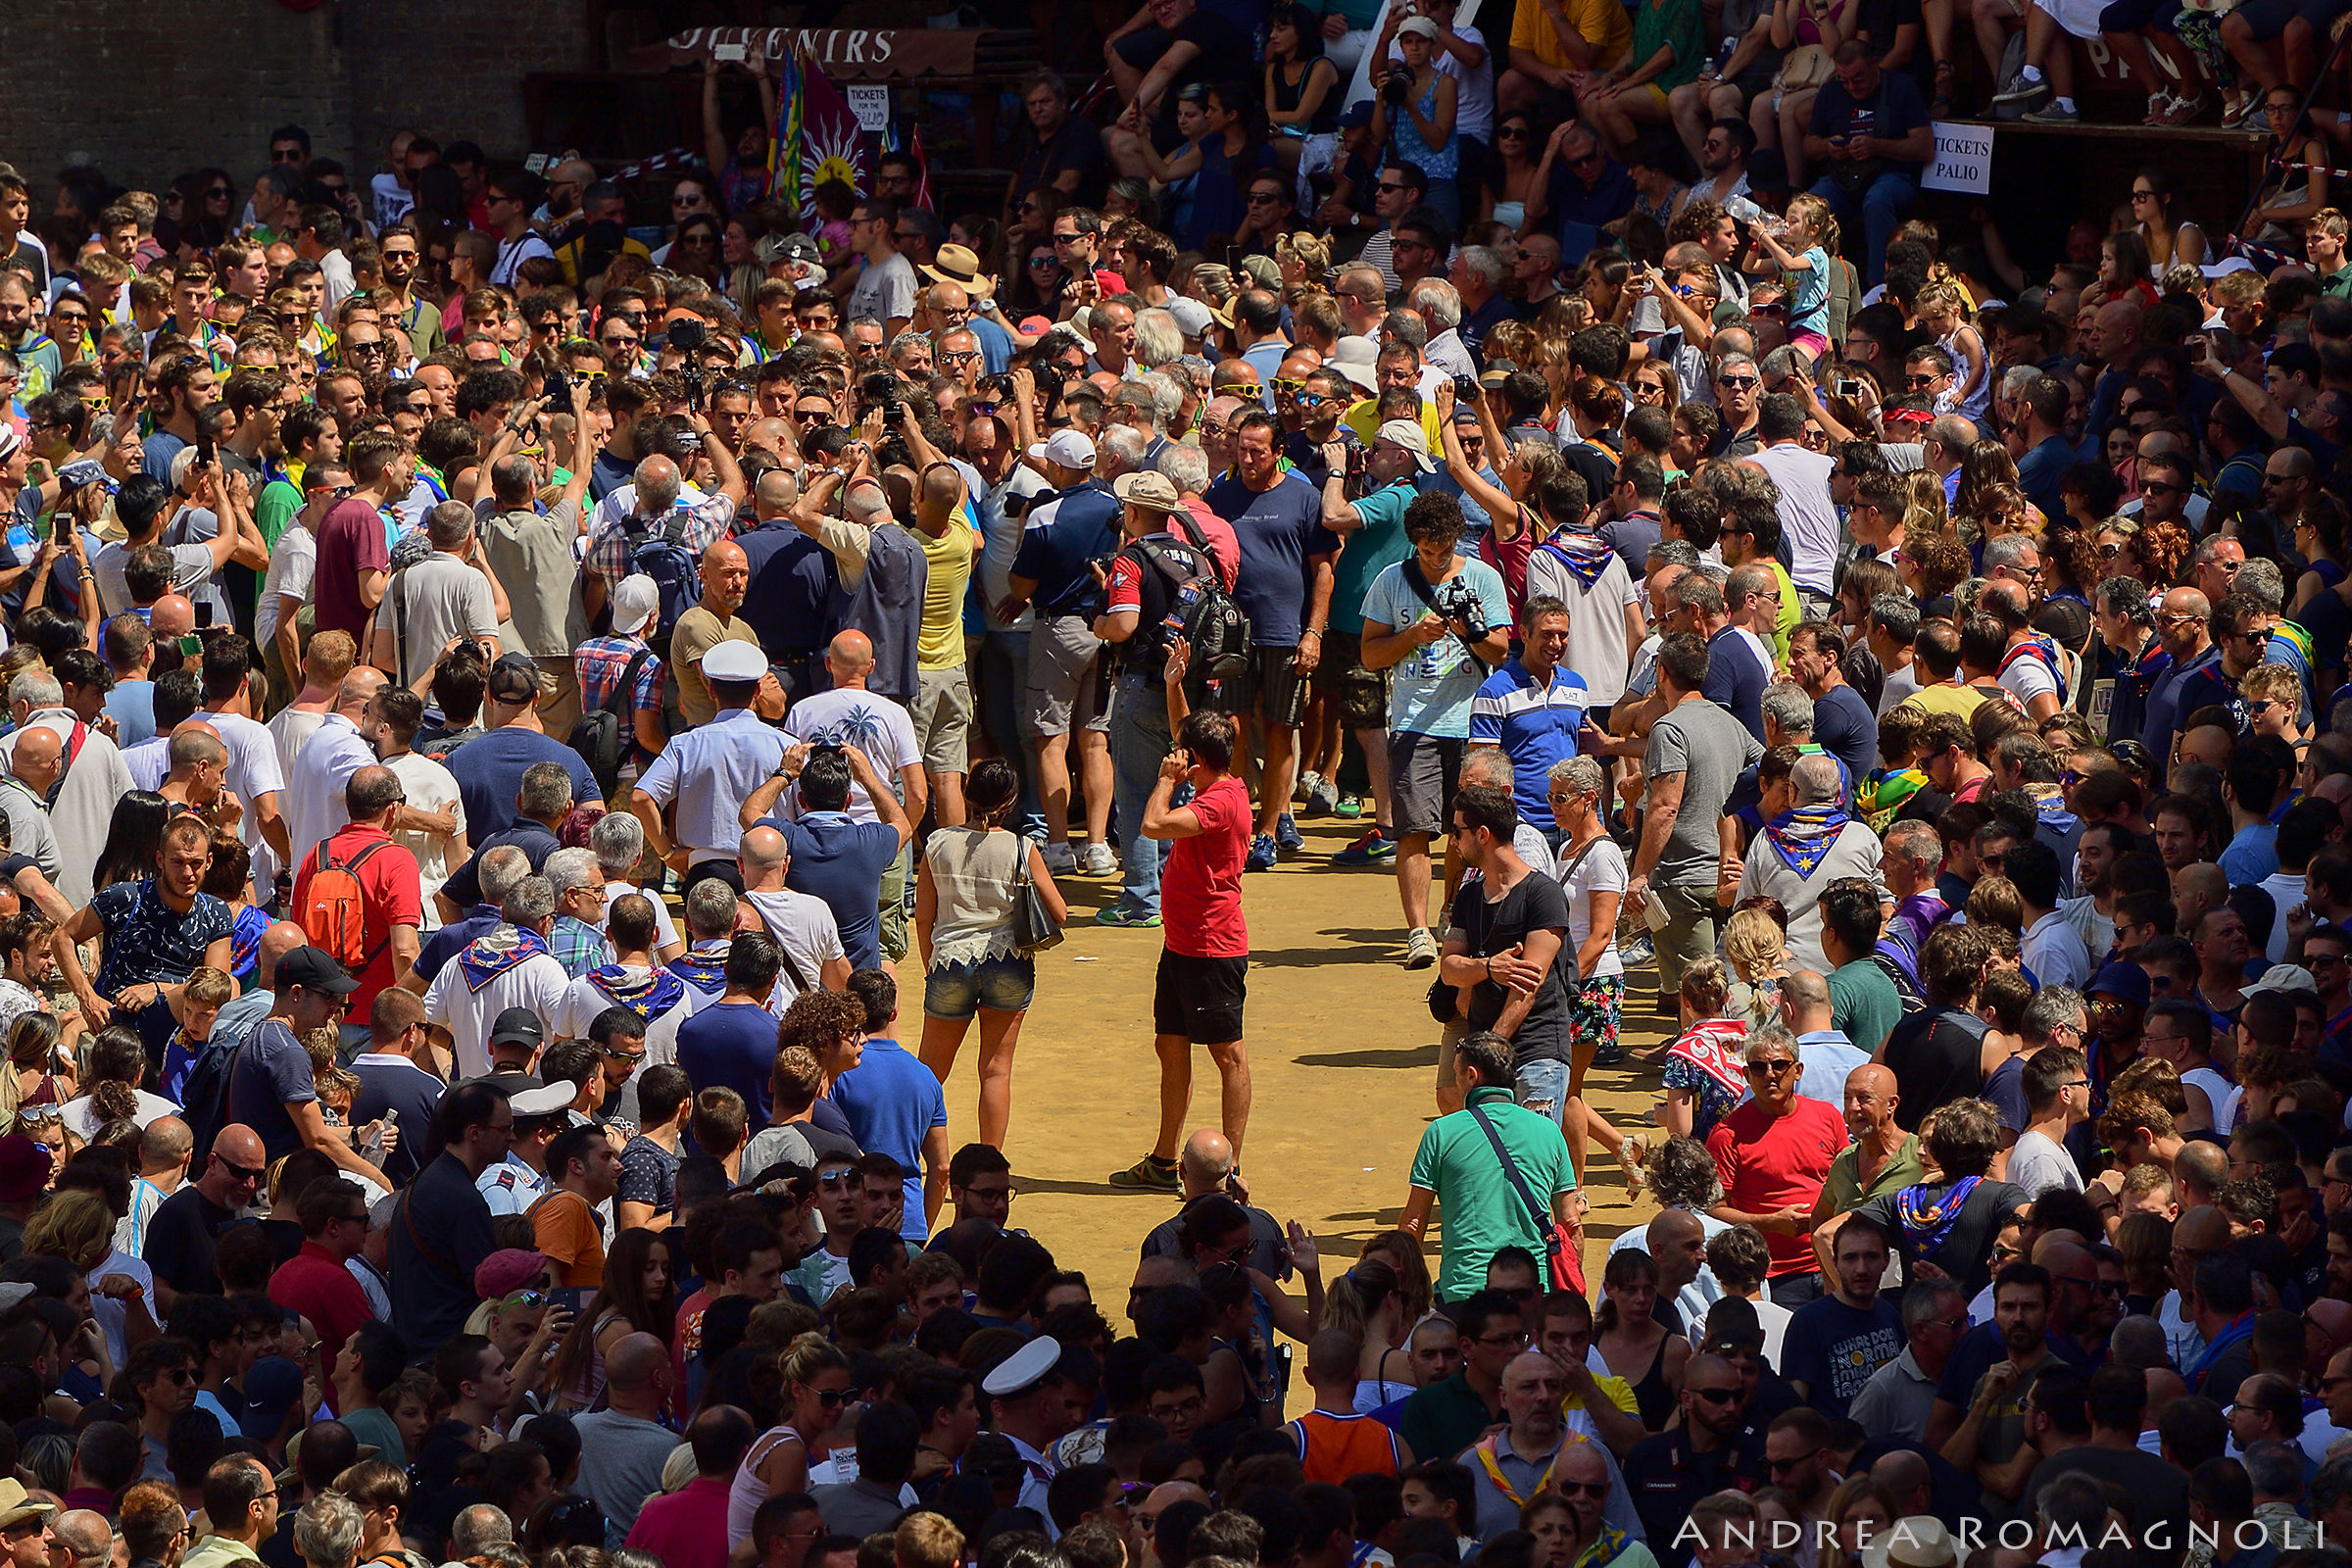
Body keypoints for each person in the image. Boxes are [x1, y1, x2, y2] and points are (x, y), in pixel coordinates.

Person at [1110, 710, 1254, 1191]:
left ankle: (1229, 1172)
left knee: (1227, 1054)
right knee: (1170, 1046)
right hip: (1182, 946)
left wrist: (1166, 780)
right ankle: (1164, 1160)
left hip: (1212, 950)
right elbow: (1186, 727)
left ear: (1192, 761)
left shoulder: (1218, 804)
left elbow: (1151, 824)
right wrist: (1174, 683)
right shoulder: (1217, 782)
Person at [916, 760, 1064, 1151]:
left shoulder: (937, 844)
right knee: (996, 1071)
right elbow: (1059, 912)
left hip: (949, 960)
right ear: (1012, 801)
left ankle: (909, 1155)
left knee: (928, 1074)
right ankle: (989, 1166)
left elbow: (924, 918)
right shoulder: (1021, 847)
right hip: (1009, 964)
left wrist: (930, 965)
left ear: (966, 795)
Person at [1398, 1030, 1580, 1302]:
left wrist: (1409, 1296)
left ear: (1471, 1076)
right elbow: (1570, 1222)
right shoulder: (1549, 1131)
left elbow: (1414, 1224)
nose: (1455, 1083)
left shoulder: (1441, 1132)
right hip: (1533, 1292)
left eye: (1457, 1074)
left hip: (1465, 1293)